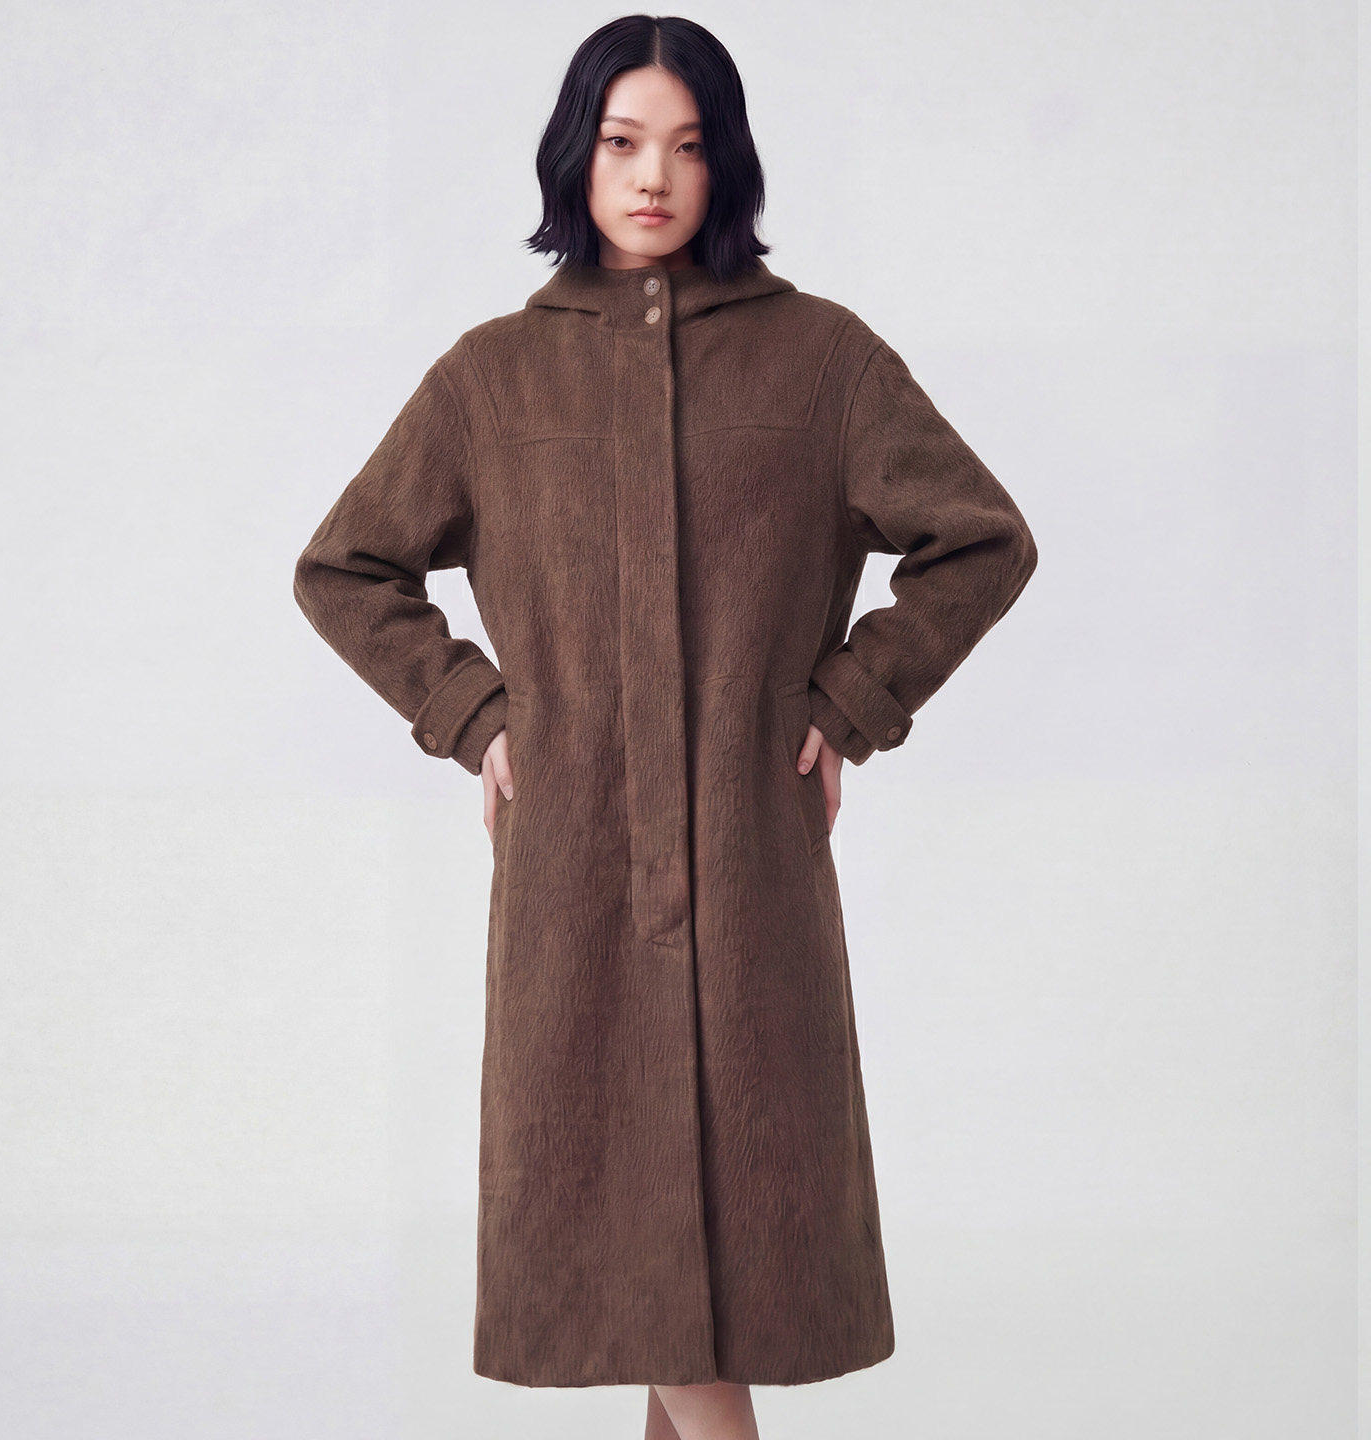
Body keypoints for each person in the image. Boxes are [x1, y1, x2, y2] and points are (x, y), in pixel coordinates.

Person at [293, 15, 1037, 1440]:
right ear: (575, 156)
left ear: (727, 163)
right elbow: (345, 568)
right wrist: (474, 714)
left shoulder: (821, 360)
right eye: (624, 142)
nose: (653, 178)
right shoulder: (492, 378)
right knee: (639, 1246)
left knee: (715, 1255)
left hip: (752, 866)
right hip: (573, 872)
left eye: (689, 147)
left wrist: (851, 701)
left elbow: (982, 540)